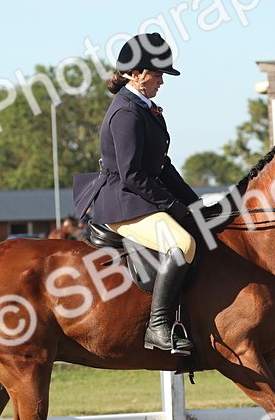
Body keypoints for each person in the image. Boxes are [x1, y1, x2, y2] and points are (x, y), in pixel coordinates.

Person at [73, 32, 201, 355]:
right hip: (121, 203)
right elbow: (131, 174)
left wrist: (194, 202)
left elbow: (162, 166)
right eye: (158, 75)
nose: (162, 82)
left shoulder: (144, 107)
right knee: (182, 244)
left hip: (137, 198)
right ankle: (158, 328)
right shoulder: (126, 113)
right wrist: (171, 205)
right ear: (138, 74)